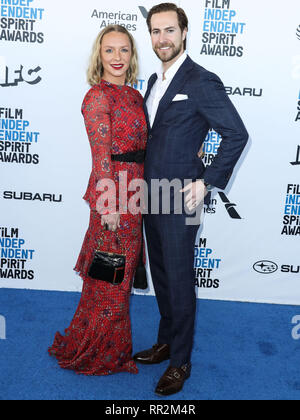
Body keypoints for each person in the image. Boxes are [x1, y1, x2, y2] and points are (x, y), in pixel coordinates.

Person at [133, 3, 249, 396]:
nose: (161, 38)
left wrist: (207, 182)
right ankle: (166, 342)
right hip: (151, 194)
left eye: (169, 30)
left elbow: (236, 134)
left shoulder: (201, 80)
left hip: (181, 196)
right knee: (163, 276)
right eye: (155, 31)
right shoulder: (154, 80)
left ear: (184, 32)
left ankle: (180, 362)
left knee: (180, 280)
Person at [49, 25, 147, 375]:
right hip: (114, 198)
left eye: (124, 50)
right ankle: (96, 352)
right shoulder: (97, 97)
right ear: (99, 55)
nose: (117, 58)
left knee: (117, 277)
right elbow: (101, 156)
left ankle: (109, 347)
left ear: (132, 56)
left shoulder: (135, 96)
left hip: (136, 195)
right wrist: (108, 205)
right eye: (110, 50)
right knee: (110, 278)